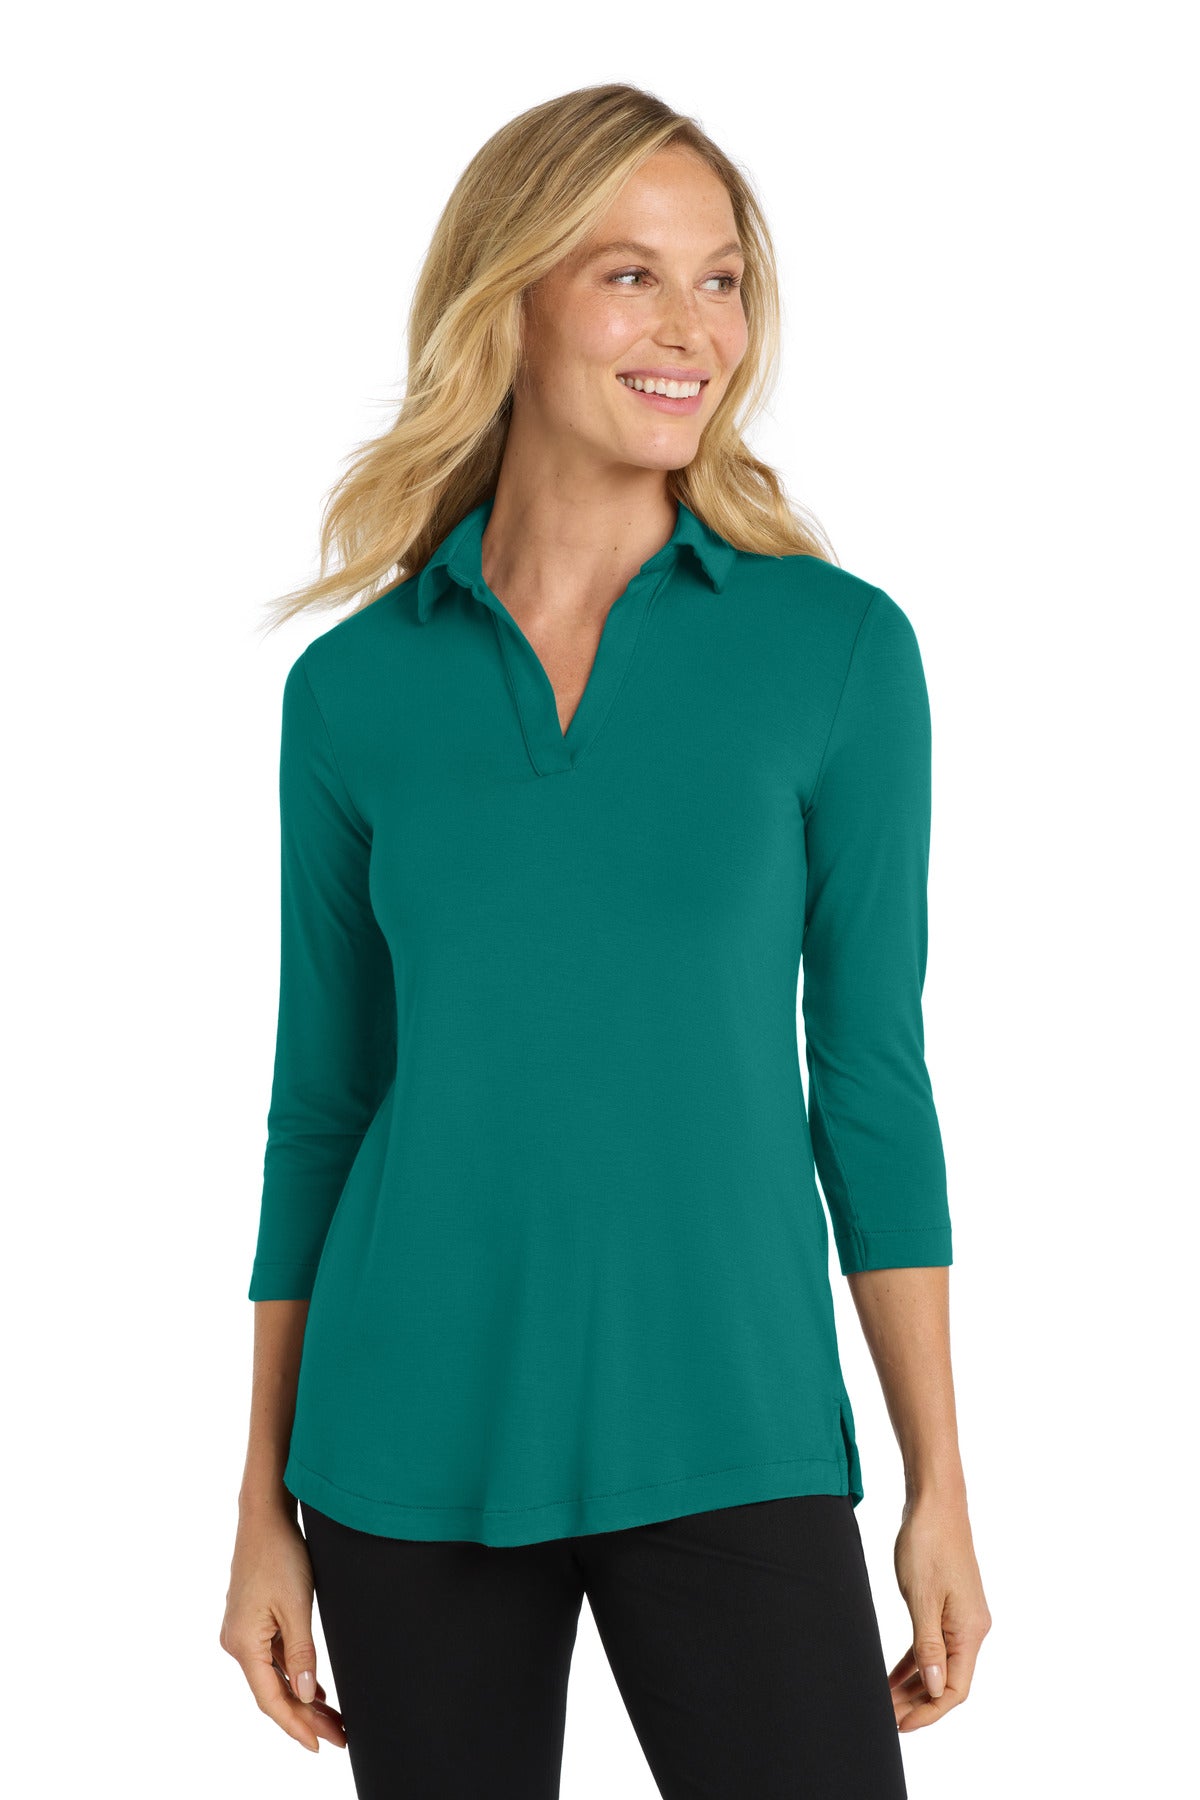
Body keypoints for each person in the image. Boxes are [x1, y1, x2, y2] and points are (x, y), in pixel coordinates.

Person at [220, 82, 990, 1799]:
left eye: (722, 281)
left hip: (732, 1418)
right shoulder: (354, 691)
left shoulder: (835, 653)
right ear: (507, 301)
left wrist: (938, 1481)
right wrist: (262, 1500)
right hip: (405, 1436)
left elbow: (872, 1084)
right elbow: (321, 1105)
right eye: (632, 275)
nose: (694, 328)